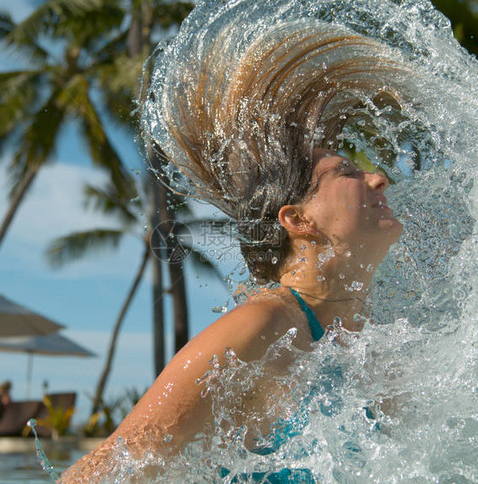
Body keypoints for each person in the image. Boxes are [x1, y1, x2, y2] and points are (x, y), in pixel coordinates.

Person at [63, 11, 408, 484]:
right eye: (346, 173)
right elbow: (104, 472)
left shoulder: (373, 340)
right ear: (297, 219)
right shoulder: (260, 327)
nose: (377, 178)